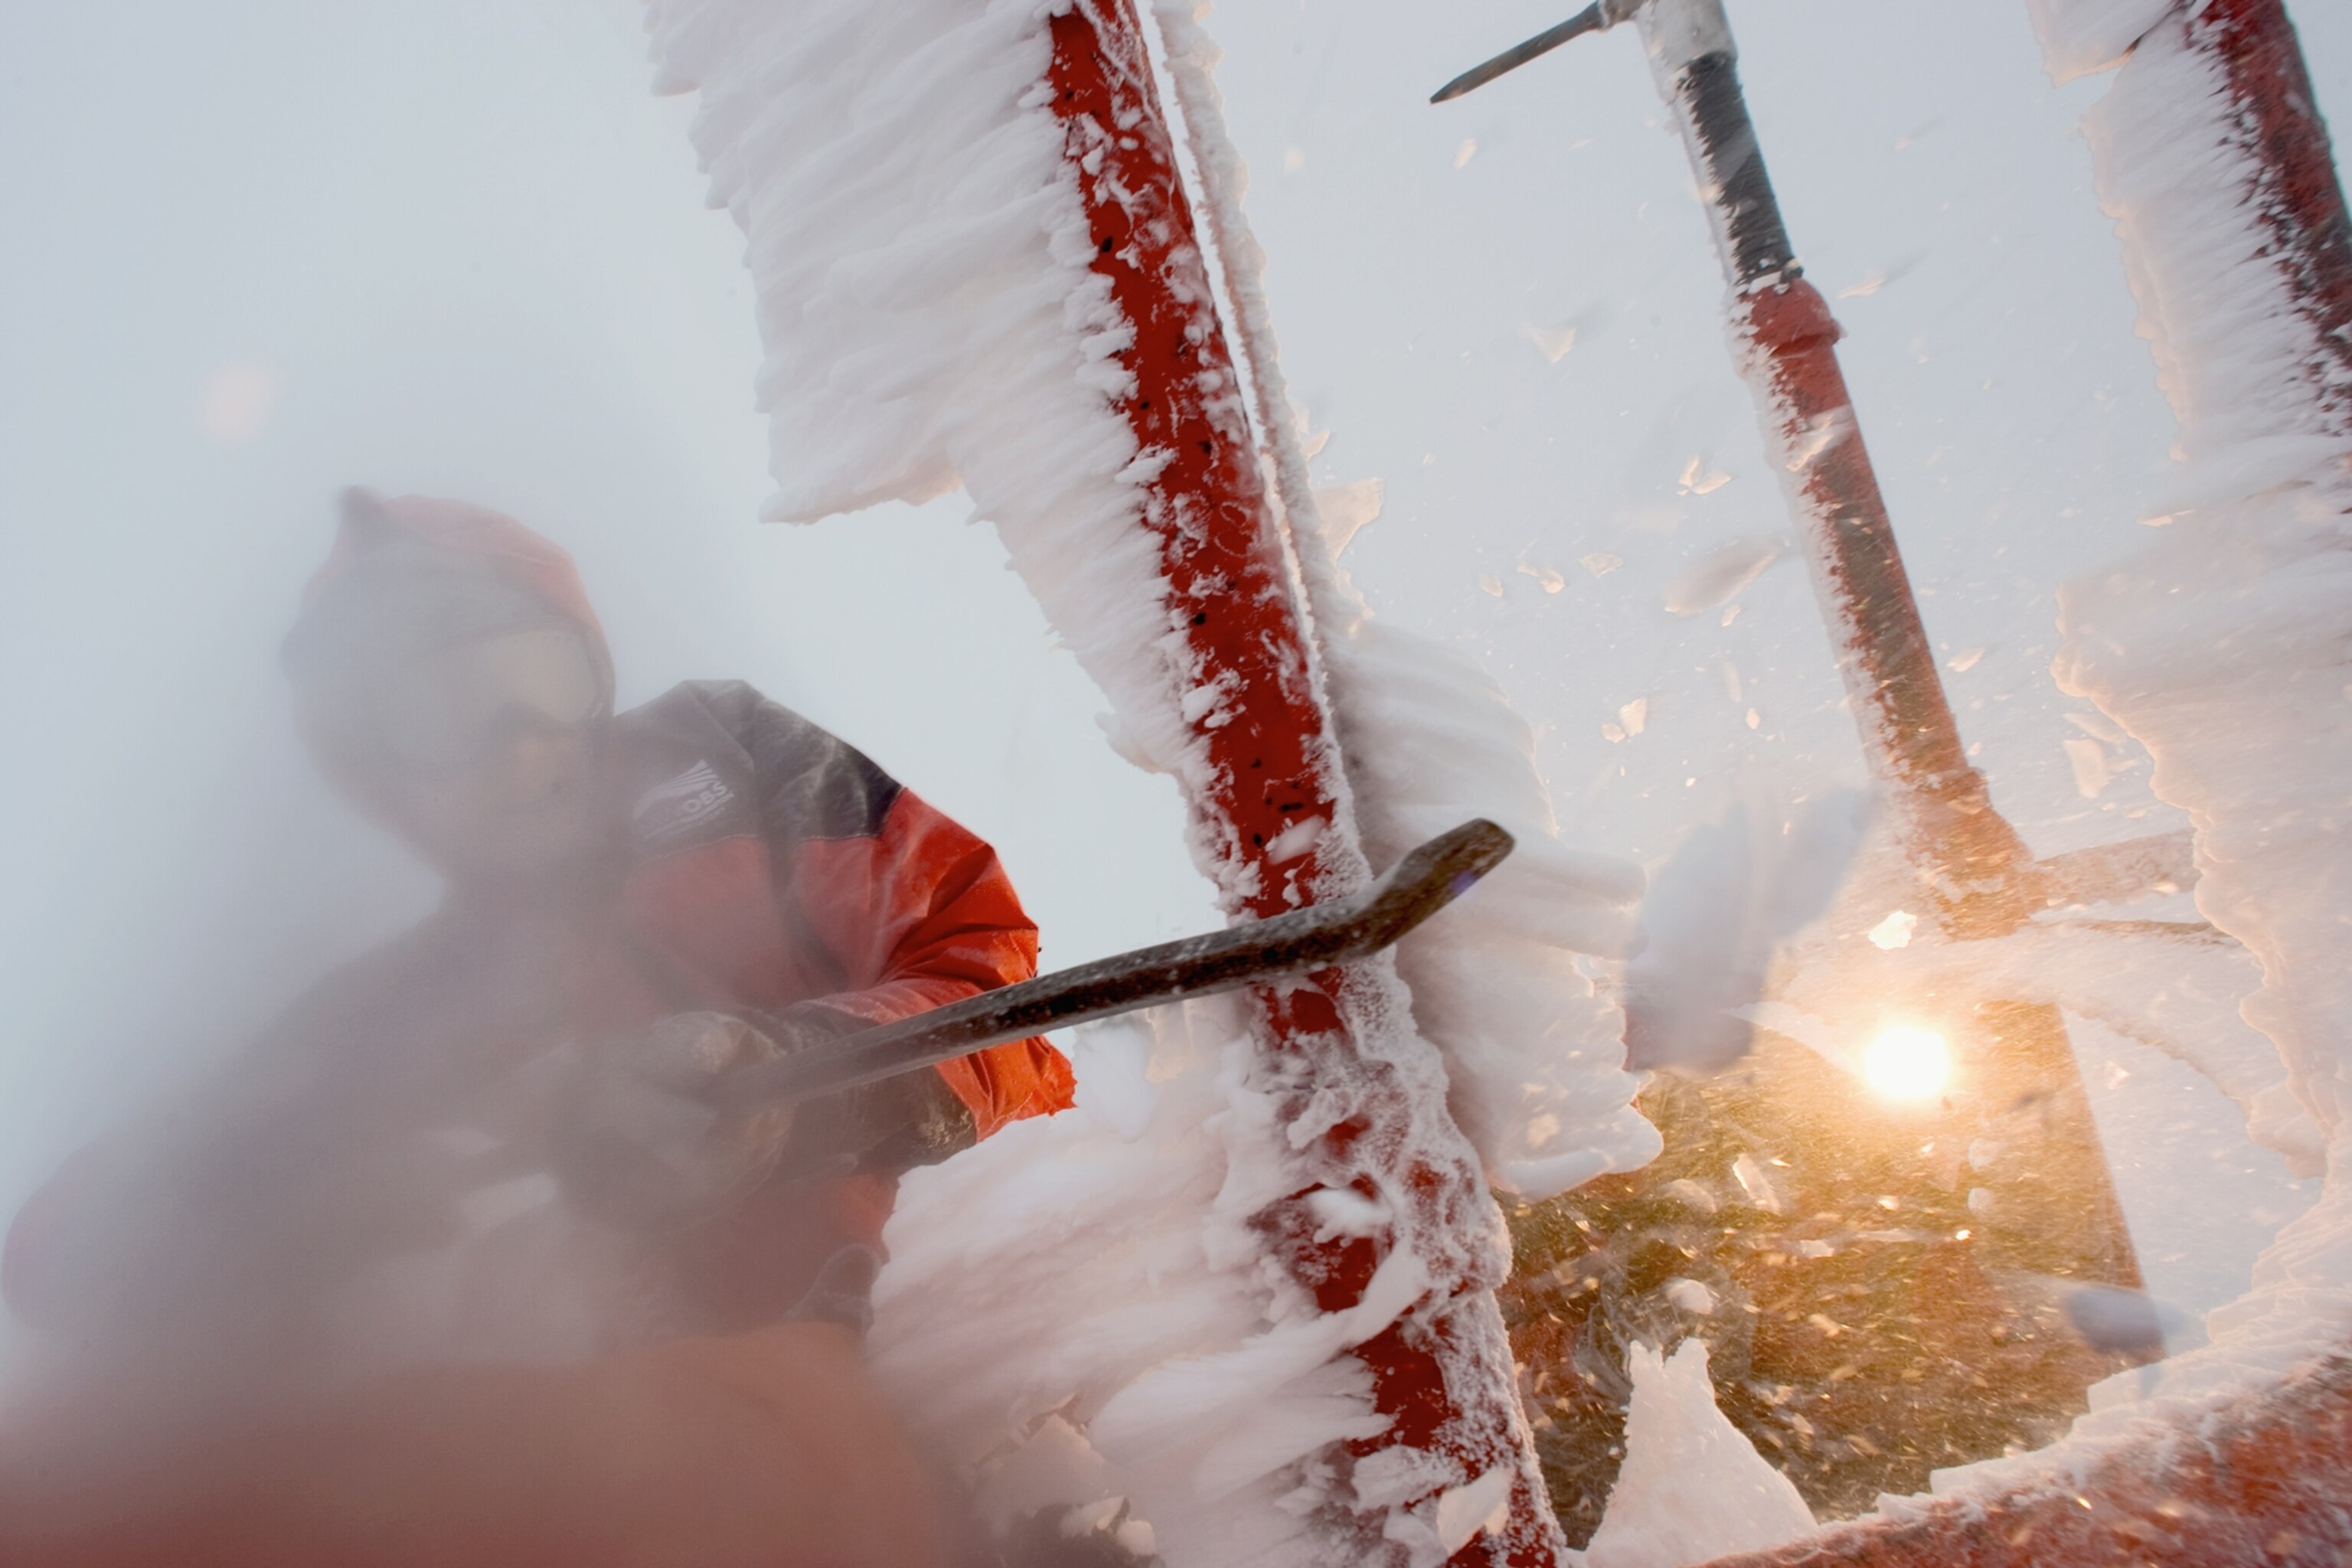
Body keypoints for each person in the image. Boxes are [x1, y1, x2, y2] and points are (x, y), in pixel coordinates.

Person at [2, 488, 1073, 1413]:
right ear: (383, 774)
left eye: (539, 679)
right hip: (676, 1445)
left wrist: (796, 1091)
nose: (519, 740)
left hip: (958, 1298)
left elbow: (989, 970)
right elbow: (62, 1253)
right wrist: (272, 1200)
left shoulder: (731, 762)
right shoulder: (405, 1011)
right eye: (444, 711)